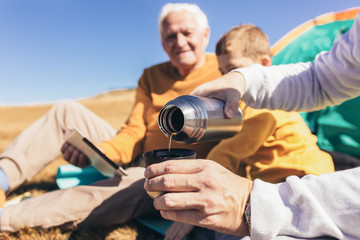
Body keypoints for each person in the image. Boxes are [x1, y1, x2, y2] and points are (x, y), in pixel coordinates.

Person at [0, 3, 223, 233]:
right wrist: (103, 151)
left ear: (205, 34)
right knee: (65, 111)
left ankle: (7, 217)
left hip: (178, 175)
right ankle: (2, 178)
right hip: (139, 156)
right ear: (162, 43)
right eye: (170, 36)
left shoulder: (224, 71)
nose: (179, 42)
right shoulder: (152, 75)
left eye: (186, 33)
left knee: (138, 183)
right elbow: (134, 130)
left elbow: (236, 144)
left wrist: (197, 199)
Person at [144, 12, 360, 240]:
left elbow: (228, 152)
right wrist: (240, 79)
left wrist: (194, 187)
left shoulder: (264, 110)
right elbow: (322, 78)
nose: (225, 76)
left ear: (265, 64)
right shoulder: (250, 104)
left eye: (233, 68)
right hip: (280, 183)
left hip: (308, 178)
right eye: (223, 71)